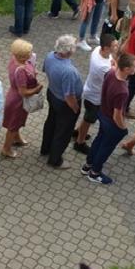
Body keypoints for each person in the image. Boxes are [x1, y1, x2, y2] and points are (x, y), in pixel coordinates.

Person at [81, 52, 135, 185]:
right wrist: (123, 127)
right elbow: (117, 115)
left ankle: (88, 165)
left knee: (99, 140)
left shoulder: (110, 73)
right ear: (126, 69)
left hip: (102, 113)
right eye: (134, 67)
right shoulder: (123, 91)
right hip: (112, 122)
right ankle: (95, 173)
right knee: (106, 147)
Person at [40, 35, 82, 170]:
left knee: (51, 122)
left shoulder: (50, 56)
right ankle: (55, 159)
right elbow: (69, 95)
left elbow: (45, 70)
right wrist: (75, 108)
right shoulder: (69, 71)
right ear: (69, 51)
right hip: (65, 104)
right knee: (63, 131)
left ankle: (45, 149)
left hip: (52, 93)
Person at [73, 34, 118, 155]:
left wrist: (113, 63)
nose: (116, 47)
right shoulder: (104, 67)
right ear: (106, 48)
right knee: (89, 119)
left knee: (87, 117)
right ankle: (79, 142)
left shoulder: (97, 50)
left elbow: (111, 63)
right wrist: (115, 65)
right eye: (114, 45)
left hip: (90, 89)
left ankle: (77, 132)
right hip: (95, 97)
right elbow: (115, 77)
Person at [1, 39, 42, 158]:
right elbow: (24, 92)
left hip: (13, 96)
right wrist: (37, 89)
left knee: (16, 122)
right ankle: (6, 149)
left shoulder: (14, 59)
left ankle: (17, 138)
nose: (31, 53)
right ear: (23, 56)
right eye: (29, 52)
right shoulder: (21, 71)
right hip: (18, 101)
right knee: (13, 125)